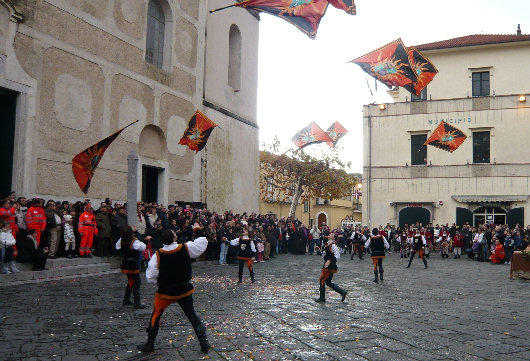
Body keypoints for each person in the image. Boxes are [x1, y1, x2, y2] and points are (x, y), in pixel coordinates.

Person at [138, 228, 210, 354]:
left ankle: (150, 344)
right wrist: (198, 232)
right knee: (192, 316)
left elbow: (151, 276)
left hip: (165, 291)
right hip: (183, 290)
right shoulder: (185, 248)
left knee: (156, 315)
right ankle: (204, 343)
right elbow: (202, 243)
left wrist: (161, 282)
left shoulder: (158, 255)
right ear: (174, 238)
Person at [115, 225, 147, 309]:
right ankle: (137, 302)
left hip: (125, 262)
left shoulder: (121, 239)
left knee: (131, 281)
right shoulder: (134, 241)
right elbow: (143, 247)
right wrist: (145, 240)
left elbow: (117, 247)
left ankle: (126, 300)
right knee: (137, 282)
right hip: (133, 264)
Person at [314, 233, 348, 303]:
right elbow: (324, 256)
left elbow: (337, 256)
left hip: (330, 266)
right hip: (327, 265)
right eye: (329, 234)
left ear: (334, 238)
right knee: (328, 282)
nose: (329, 234)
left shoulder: (333, 246)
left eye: (332, 234)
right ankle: (342, 292)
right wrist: (319, 251)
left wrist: (330, 260)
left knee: (322, 280)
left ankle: (322, 298)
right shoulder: (327, 244)